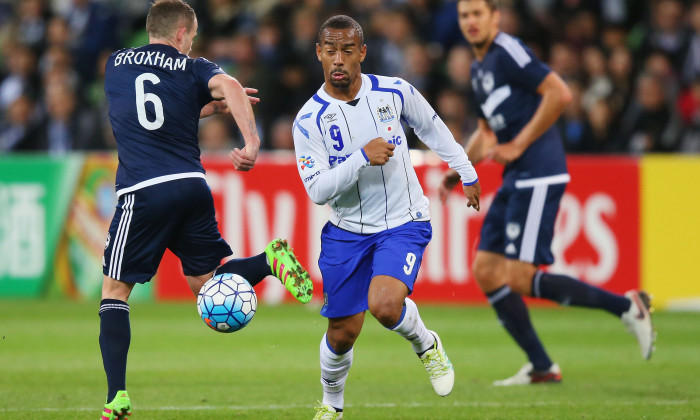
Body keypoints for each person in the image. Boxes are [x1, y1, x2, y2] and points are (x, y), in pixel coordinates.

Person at [98, 1, 313, 418]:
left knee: (114, 292)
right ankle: (268, 260)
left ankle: (116, 396)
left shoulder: (116, 64)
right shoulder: (194, 67)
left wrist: (201, 108)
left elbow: (143, 113)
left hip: (144, 189)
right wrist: (251, 141)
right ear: (181, 34)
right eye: (192, 37)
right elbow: (231, 86)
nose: (191, 43)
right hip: (192, 186)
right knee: (206, 286)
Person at [439, 0, 655, 386]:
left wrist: (519, 144)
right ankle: (541, 365)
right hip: (516, 175)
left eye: (478, 14)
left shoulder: (508, 50)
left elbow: (559, 92)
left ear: (495, 17)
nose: (471, 21)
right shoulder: (478, 67)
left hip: (538, 171)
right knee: (486, 270)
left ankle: (627, 306)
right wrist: (459, 171)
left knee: (520, 276)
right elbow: (487, 132)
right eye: (464, 15)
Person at [293, 15, 482, 420]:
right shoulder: (309, 120)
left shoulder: (393, 92)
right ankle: (333, 405)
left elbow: (432, 127)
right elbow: (317, 190)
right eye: (330, 51)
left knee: (384, 304)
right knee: (342, 335)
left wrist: (465, 170)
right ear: (319, 54)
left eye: (347, 50)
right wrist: (362, 157)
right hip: (347, 231)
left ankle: (426, 344)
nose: (338, 59)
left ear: (362, 52)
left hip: (403, 221)